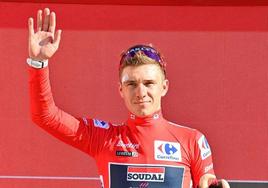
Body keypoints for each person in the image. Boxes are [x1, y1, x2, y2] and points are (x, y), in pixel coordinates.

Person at [27, 8, 230, 188]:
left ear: (164, 87)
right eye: (131, 84)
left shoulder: (192, 141)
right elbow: (45, 116)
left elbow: (208, 181)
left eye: (149, 83)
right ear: (120, 90)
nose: (141, 92)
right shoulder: (103, 139)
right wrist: (38, 63)